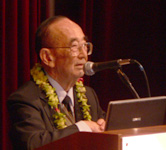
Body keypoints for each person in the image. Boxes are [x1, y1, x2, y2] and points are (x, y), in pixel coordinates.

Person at [7, 16, 106, 150]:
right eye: (74, 46)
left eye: (85, 45)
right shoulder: (26, 99)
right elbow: (33, 144)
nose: (84, 55)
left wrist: (105, 127)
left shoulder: (89, 95)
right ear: (48, 57)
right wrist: (81, 128)